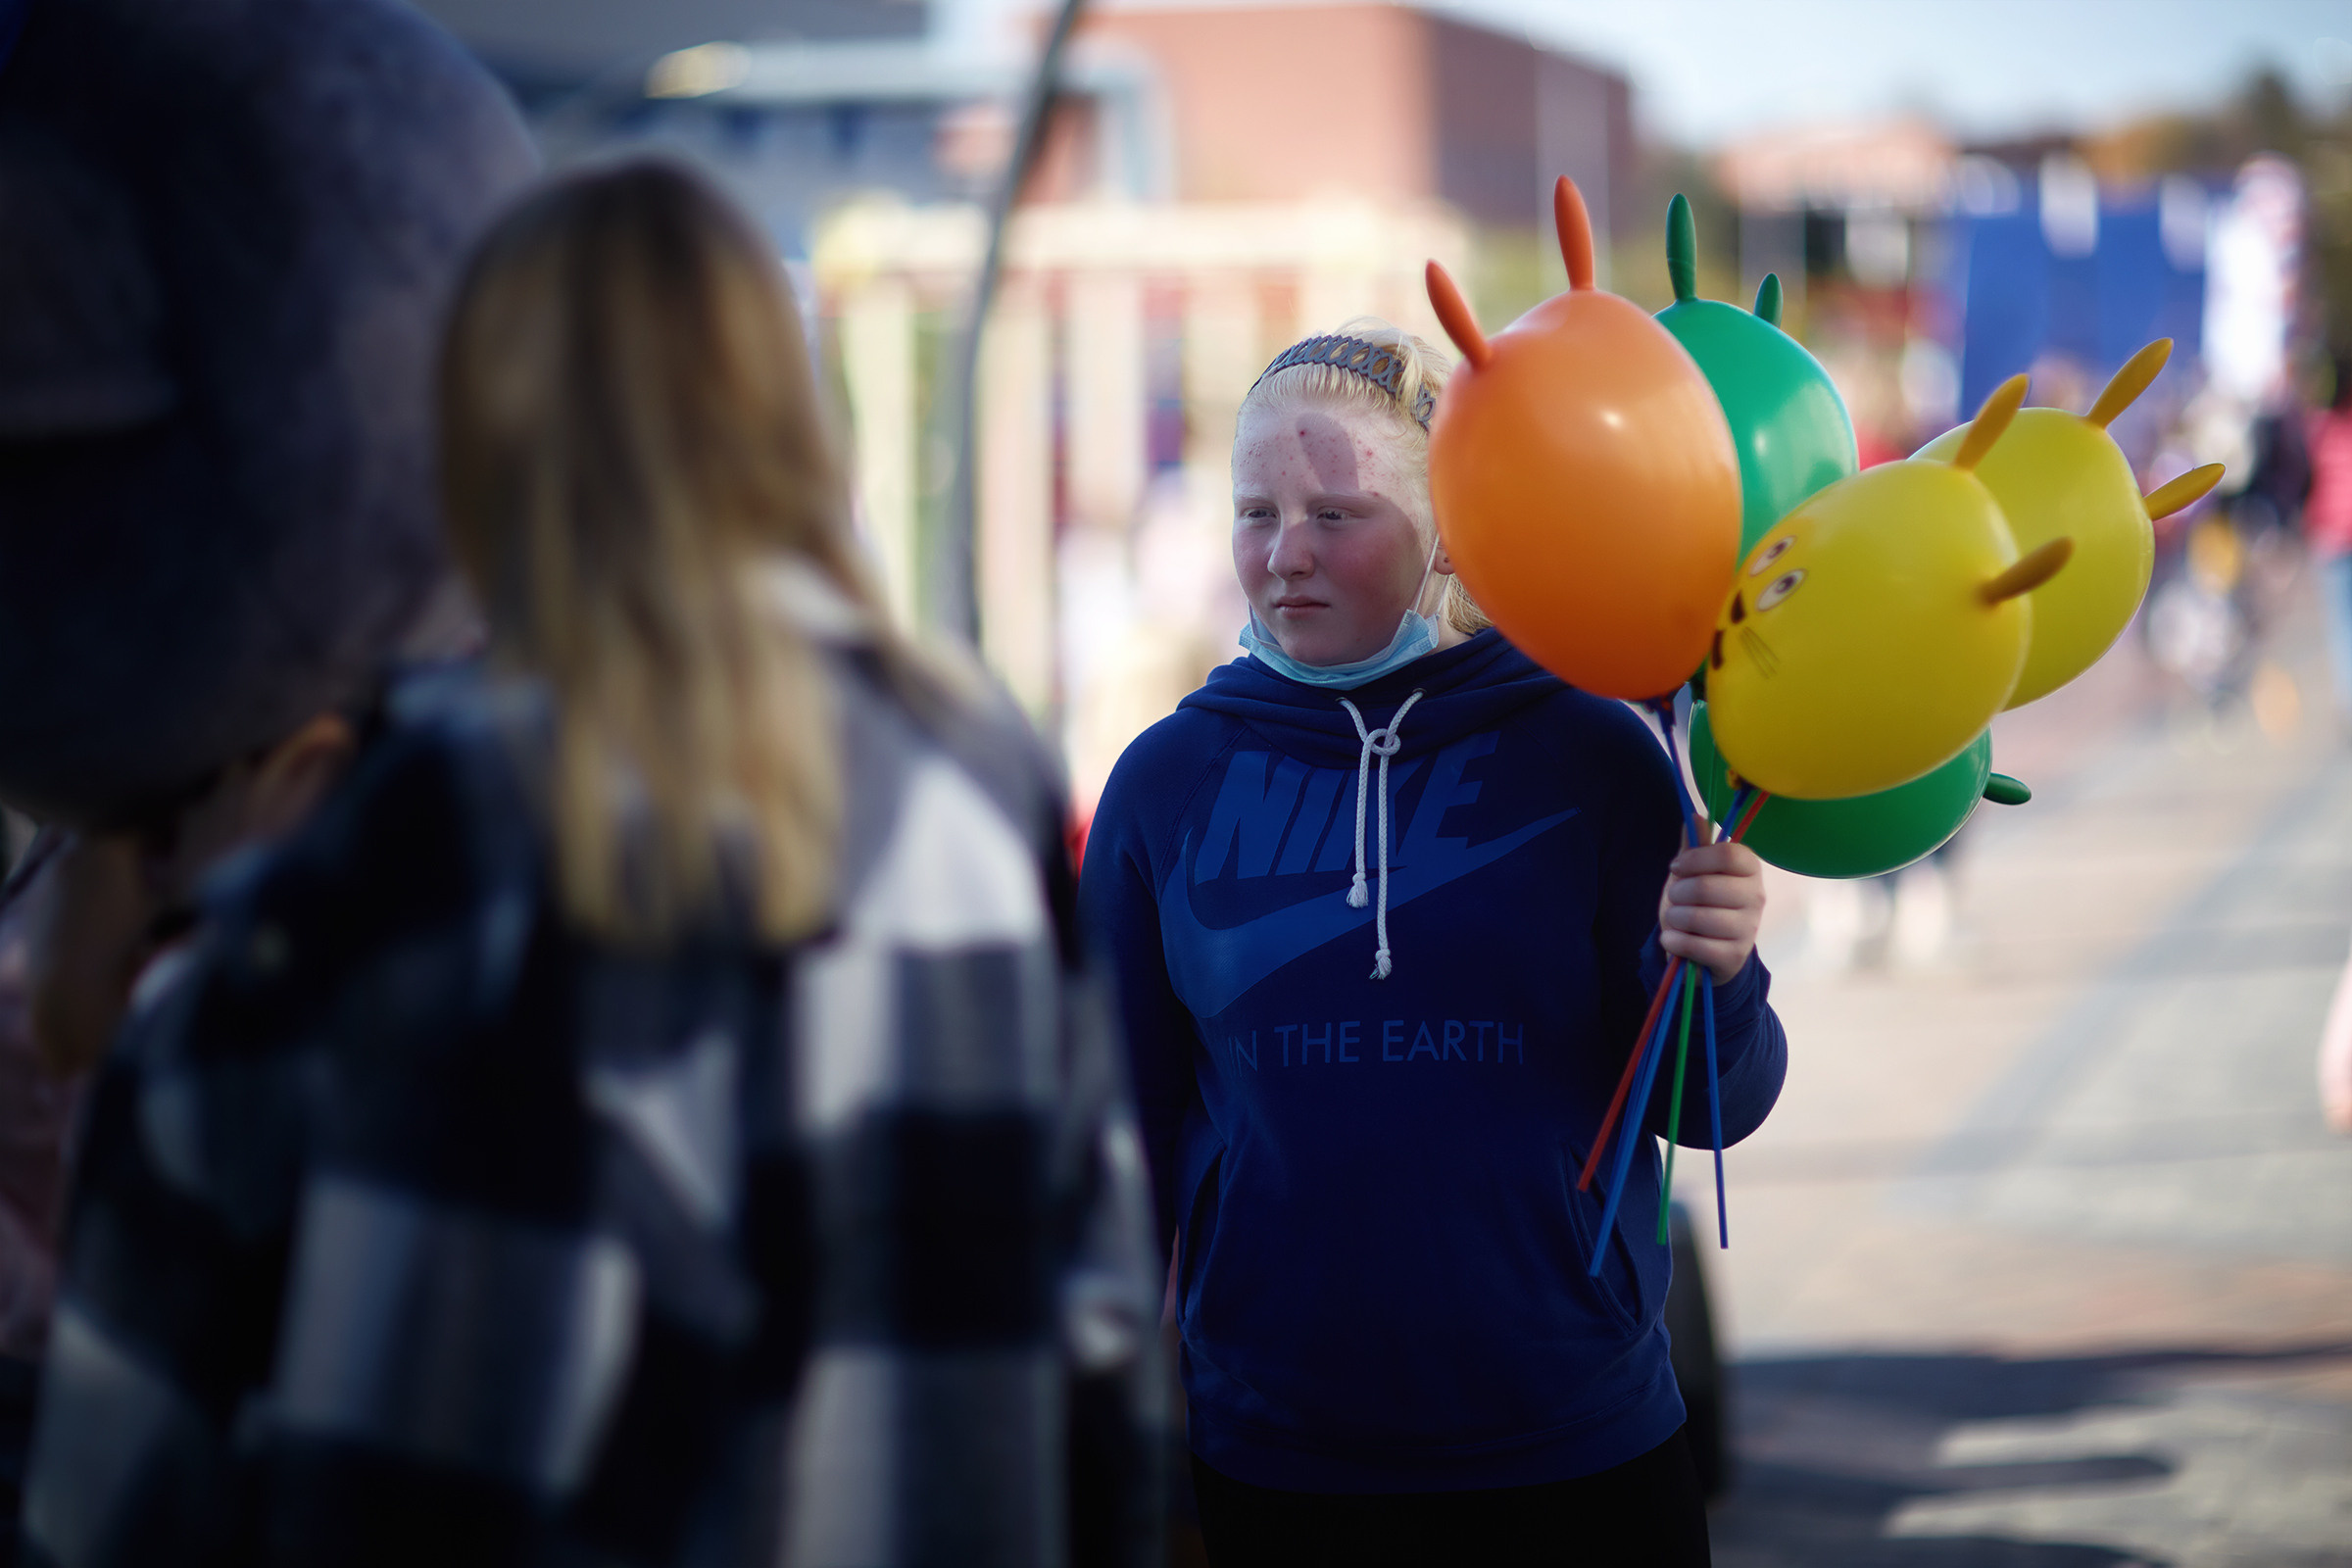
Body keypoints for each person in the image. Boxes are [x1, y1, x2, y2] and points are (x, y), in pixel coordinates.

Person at [26, 162, 1160, 1568]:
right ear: (793, 416)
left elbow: (140, 1398)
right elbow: (1103, 1348)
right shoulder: (975, 782)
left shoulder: (413, 819)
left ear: (483, 427)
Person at [1078, 322, 1786, 1566]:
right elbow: (1108, 1151)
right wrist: (1108, 1434)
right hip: (1280, 1460)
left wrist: (1721, 976)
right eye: (1255, 511)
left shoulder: (1594, 751)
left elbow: (1720, 1109)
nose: (1284, 556)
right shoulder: (1165, 782)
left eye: (1336, 513)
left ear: (1455, 526)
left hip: (1581, 1446)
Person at [2304, 358, 2352, 727]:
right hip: (2335, 538)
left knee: (2341, 626)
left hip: (2331, 539)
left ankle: (2348, 701)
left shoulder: (2319, 429)